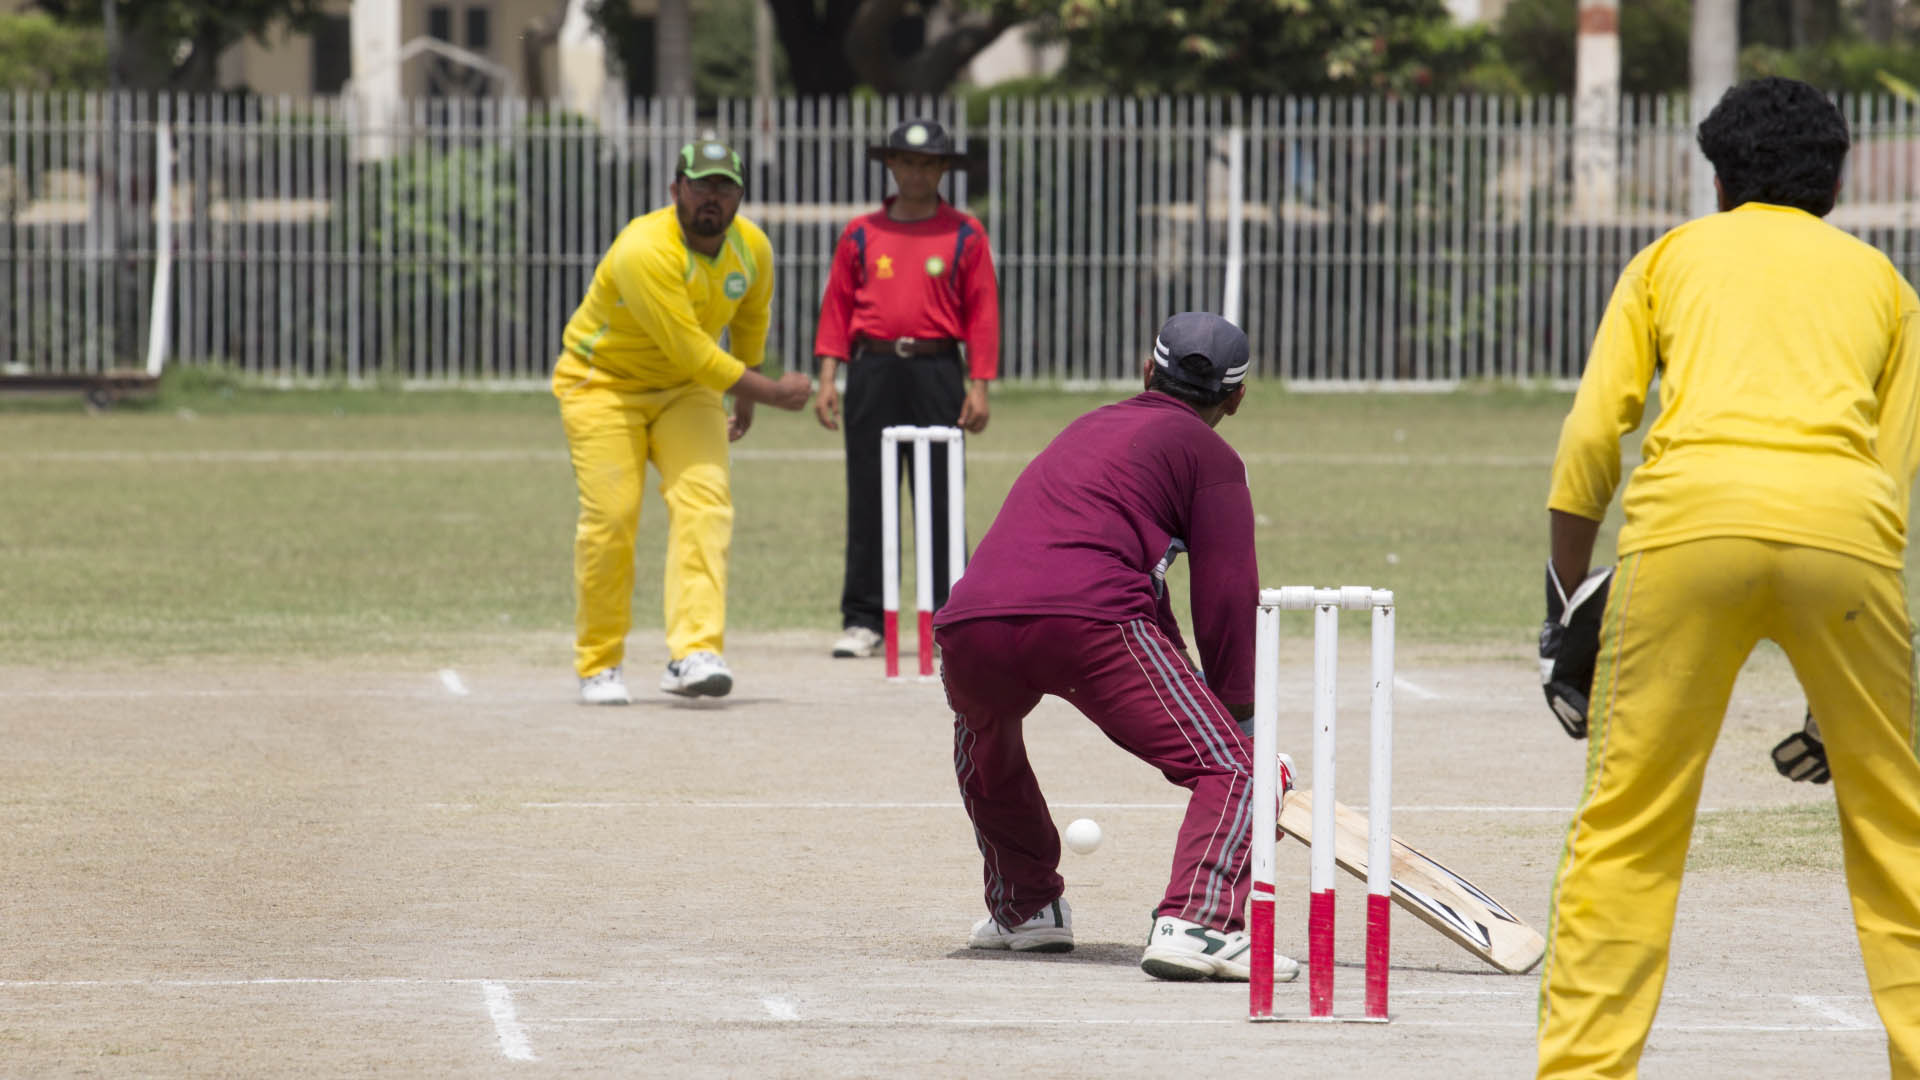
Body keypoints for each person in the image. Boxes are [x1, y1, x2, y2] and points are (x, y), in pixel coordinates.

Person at [1535, 77, 1920, 1078]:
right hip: (1847, 534)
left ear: (1717, 180)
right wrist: (1840, 699)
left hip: (1688, 529)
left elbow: (1592, 438)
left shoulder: (1670, 258)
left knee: (1628, 825)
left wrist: (1560, 598)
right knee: (1897, 831)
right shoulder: (1885, 282)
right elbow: (1888, 474)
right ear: (1836, 178)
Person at [933, 312, 1300, 984]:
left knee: (985, 743)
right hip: (1090, 619)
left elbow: (1129, 576)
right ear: (1237, 397)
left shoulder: (1087, 427)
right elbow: (1225, 597)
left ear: (1144, 370)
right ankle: (1200, 922)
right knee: (1239, 770)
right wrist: (1241, 722)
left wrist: (1198, 702)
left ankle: (1026, 909)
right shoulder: (1212, 456)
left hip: (970, 621)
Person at [553, 138, 811, 705]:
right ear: (676, 191)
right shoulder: (644, 248)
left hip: (686, 393)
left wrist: (744, 397)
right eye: (700, 186)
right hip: (602, 384)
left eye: (724, 187)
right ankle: (599, 663)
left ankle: (694, 652)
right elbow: (693, 349)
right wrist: (770, 392)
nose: (711, 199)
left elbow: (750, 318)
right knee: (612, 518)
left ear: (741, 195)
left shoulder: (752, 249)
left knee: (706, 503)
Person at [812, 118, 1000, 659]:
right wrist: (828, 376)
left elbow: (983, 310)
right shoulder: (862, 232)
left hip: (937, 368)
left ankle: (949, 616)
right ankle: (864, 618)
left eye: (927, 163)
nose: (916, 172)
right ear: (890, 165)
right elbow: (837, 306)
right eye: (906, 161)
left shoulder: (965, 232)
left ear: (943, 169)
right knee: (869, 491)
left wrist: (980, 383)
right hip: (872, 367)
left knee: (942, 491)